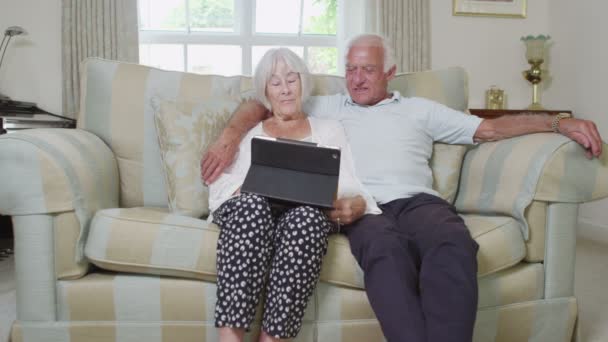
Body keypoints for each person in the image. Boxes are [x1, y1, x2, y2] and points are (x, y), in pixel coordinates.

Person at [202, 35, 603, 342]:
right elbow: (264, 102)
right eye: (351, 70)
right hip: (366, 209)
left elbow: (490, 129)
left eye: (368, 70)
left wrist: (556, 123)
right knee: (386, 253)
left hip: (418, 203)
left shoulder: (420, 109)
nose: (357, 79)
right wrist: (229, 137)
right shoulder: (328, 107)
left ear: (390, 72)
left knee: (454, 244)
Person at [208, 47, 381, 342]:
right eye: (275, 83)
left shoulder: (329, 130)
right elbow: (220, 190)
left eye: (292, 80)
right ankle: (231, 337)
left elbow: (351, 181)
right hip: (253, 211)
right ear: (265, 92)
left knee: (307, 220)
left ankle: (272, 339)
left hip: (305, 213)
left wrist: (358, 203)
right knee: (251, 207)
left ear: (303, 83)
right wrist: (248, 188)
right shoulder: (253, 134)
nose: (286, 90)